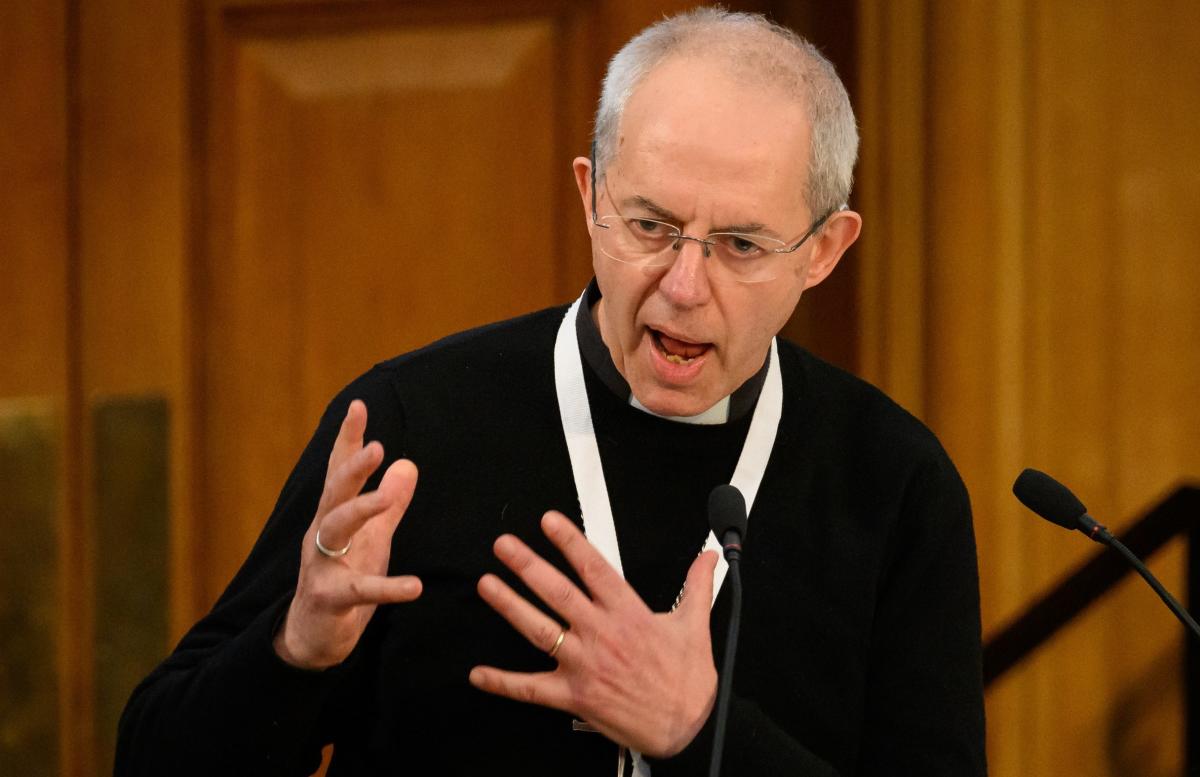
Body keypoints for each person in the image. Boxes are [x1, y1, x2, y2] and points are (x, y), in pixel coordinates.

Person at [116, 8, 986, 776]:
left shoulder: (894, 484)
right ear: (590, 194)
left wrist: (695, 730)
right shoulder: (413, 428)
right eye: (651, 225)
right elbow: (150, 756)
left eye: (740, 245)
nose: (684, 285)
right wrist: (292, 655)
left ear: (824, 250)